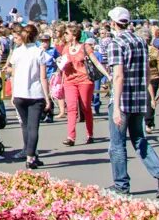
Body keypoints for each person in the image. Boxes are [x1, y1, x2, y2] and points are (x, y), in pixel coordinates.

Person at [99, 7, 159, 198]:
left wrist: (115, 106)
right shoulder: (141, 41)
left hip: (123, 99)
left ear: (114, 23)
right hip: (139, 97)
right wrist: (149, 94)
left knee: (116, 144)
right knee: (139, 138)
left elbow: (118, 76)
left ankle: (121, 185)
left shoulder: (116, 43)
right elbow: (148, 72)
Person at [8, 23, 50, 168]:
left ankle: (31, 153)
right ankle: (31, 157)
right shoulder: (39, 52)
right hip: (35, 93)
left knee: (25, 126)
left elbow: (12, 75)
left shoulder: (17, 52)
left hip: (19, 93)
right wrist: (47, 97)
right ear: (36, 36)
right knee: (33, 127)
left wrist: (13, 94)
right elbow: (43, 77)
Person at [57, 24, 100, 145]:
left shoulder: (85, 47)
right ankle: (71, 137)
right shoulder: (65, 48)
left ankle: (90, 134)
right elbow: (62, 65)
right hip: (70, 81)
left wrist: (107, 75)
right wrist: (61, 79)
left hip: (84, 80)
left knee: (86, 107)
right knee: (71, 108)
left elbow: (96, 62)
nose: (65, 35)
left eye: (67, 33)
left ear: (74, 35)